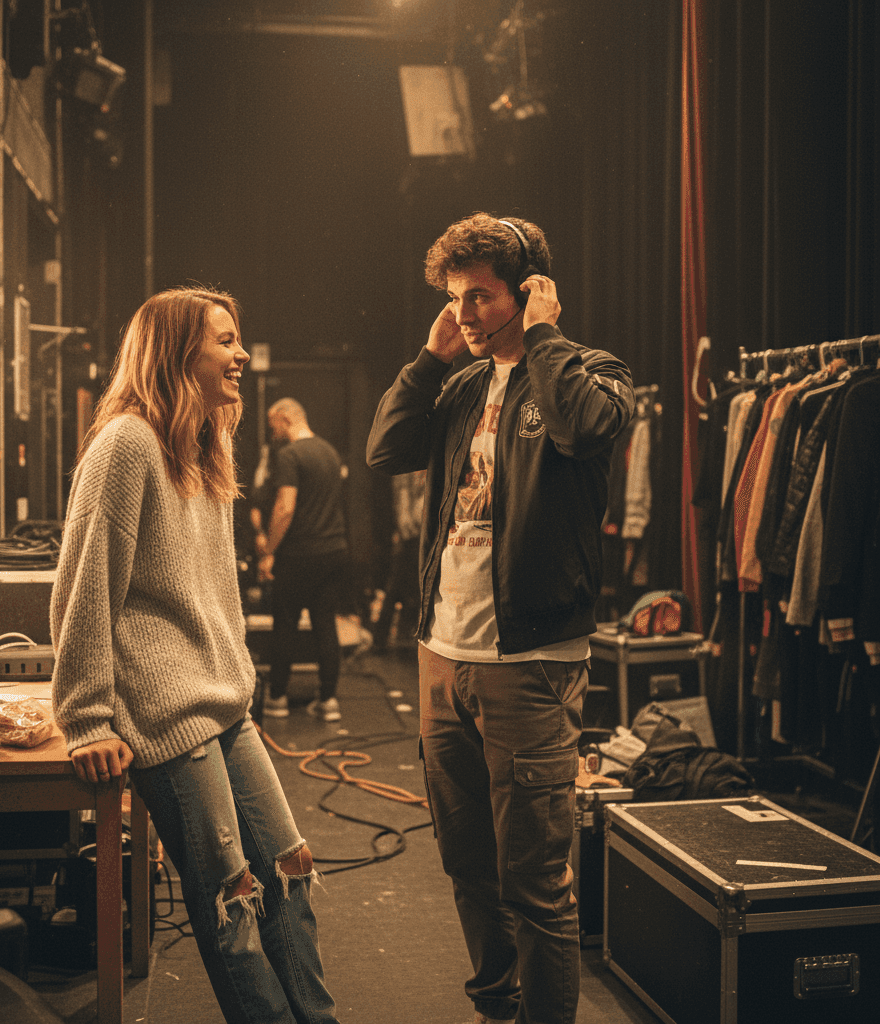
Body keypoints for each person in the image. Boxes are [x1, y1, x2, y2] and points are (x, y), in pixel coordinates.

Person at [366, 213, 635, 1024]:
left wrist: (546, 340)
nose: (465, 315)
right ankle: (494, 1003)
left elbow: (583, 428)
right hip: (442, 658)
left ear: (531, 291)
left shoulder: (590, 373)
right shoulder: (457, 386)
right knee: (467, 863)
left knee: (536, 882)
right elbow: (384, 449)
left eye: (479, 298)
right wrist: (429, 357)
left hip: (531, 664)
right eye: (455, 300)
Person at [50, 287, 342, 1024]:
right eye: (226, 340)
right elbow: (84, 589)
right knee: (229, 907)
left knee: (287, 873)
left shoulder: (210, 444)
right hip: (164, 714)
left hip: (224, 704)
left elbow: (217, 592)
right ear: (179, 352)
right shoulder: (125, 444)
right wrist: (87, 719)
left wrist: (238, 677)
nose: (242, 354)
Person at [257, 398, 348, 722]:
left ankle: (278, 699)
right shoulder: (329, 452)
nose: (274, 432)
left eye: (274, 425)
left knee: (285, 626)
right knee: (325, 625)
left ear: (285, 417)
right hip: (333, 549)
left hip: (298, 555)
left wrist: (268, 551)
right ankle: (328, 701)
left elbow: (285, 507)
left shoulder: (290, 455)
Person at [372, 469, 425, 650]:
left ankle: (381, 641)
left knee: (396, 589)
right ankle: (387, 640)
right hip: (414, 534)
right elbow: (404, 499)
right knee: (407, 588)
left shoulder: (407, 468)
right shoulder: (412, 469)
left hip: (411, 534)